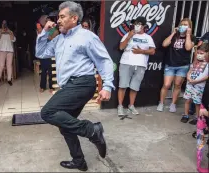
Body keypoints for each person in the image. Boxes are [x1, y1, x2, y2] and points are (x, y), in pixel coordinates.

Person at [35, 1, 114, 171]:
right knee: (65, 125)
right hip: (70, 86)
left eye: (62, 17)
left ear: (74, 18)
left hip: (83, 82)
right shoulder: (58, 39)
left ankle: (92, 130)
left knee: (47, 112)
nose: (58, 20)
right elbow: (40, 53)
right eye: (58, 17)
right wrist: (44, 33)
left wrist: (107, 86)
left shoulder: (87, 36)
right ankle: (79, 161)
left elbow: (104, 60)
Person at [117, 16, 156, 116]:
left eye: (138, 24)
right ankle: (120, 106)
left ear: (144, 26)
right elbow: (121, 47)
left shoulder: (148, 38)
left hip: (140, 65)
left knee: (134, 87)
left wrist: (141, 51)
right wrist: (129, 36)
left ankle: (131, 105)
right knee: (123, 85)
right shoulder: (128, 34)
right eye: (135, 24)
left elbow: (152, 51)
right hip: (126, 63)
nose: (136, 26)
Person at [157, 18, 195, 113]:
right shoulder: (174, 36)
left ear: (190, 27)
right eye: (182, 24)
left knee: (177, 85)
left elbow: (188, 47)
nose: (183, 26)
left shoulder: (192, 37)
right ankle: (161, 103)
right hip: (170, 64)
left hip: (183, 65)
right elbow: (164, 44)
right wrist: (173, 33)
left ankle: (173, 104)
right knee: (166, 85)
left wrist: (187, 35)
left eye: (186, 25)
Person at [181, 43, 209, 124]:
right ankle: (185, 115)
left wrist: (197, 81)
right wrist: (188, 77)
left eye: (202, 53)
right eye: (198, 53)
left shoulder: (207, 64)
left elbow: (206, 76)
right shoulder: (195, 62)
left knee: (197, 103)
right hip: (190, 84)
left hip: (199, 86)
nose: (199, 55)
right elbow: (189, 71)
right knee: (187, 100)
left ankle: (197, 117)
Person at [36, 15, 56, 93]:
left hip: (50, 52)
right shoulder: (40, 27)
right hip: (43, 53)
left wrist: (49, 36)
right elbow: (40, 36)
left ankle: (52, 86)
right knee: (44, 70)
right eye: (46, 20)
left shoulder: (53, 28)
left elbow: (53, 37)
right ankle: (42, 86)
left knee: (51, 70)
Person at [0, 20, 16, 88]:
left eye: (5, 23)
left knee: (9, 66)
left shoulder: (10, 31)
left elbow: (13, 40)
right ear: (1, 24)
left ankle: (9, 79)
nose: (4, 24)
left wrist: (10, 33)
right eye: (3, 23)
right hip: (1, 50)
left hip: (10, 50)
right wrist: (1, 31)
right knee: (1, 66)